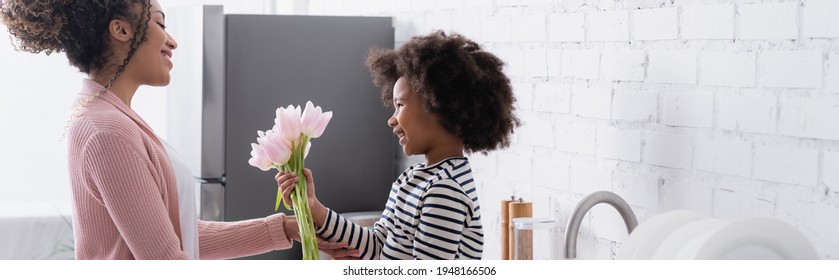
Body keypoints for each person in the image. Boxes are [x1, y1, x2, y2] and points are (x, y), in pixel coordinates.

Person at [1, 0, 357, 260]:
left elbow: (176, 237)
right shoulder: (106, 130)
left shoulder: (110, 118)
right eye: (160, 23)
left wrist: (286, 228)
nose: (172, 41)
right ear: (120, 29)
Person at [276, 30, 520, 260]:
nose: (391, 119)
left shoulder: (444, 190)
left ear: (439, 107)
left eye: (400, 105)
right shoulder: (414, 179)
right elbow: (377, 244)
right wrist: (314, 208)